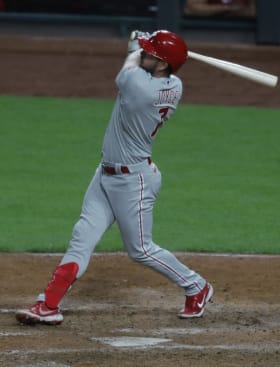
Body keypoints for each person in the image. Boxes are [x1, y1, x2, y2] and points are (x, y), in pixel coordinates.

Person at [15, 30, 214, 325]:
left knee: (141, 250)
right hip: (106, 174)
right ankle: (48, 305)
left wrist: (136, 42)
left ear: (161, 64)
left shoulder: (139, 87)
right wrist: (153, 45)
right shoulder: (174, 84)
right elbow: (146, 61)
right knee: (82, 237)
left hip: (135, 181)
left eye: (151, 53)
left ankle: (196, 286)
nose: (145, 53)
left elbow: (130, 63)